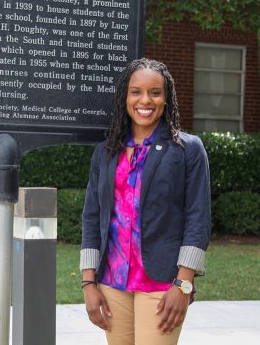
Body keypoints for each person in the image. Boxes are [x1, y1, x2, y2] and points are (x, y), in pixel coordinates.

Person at [80, 58, 211, 345]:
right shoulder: (105, 152)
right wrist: (88, 282)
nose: (145, 100)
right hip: (112, 281)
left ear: (167, 99)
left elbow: (197, 219)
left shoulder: (187, 150)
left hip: (163, 284)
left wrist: (183, 284)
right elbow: (92, 217)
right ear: (125, 98)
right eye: (136, 91)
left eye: (155, 92)